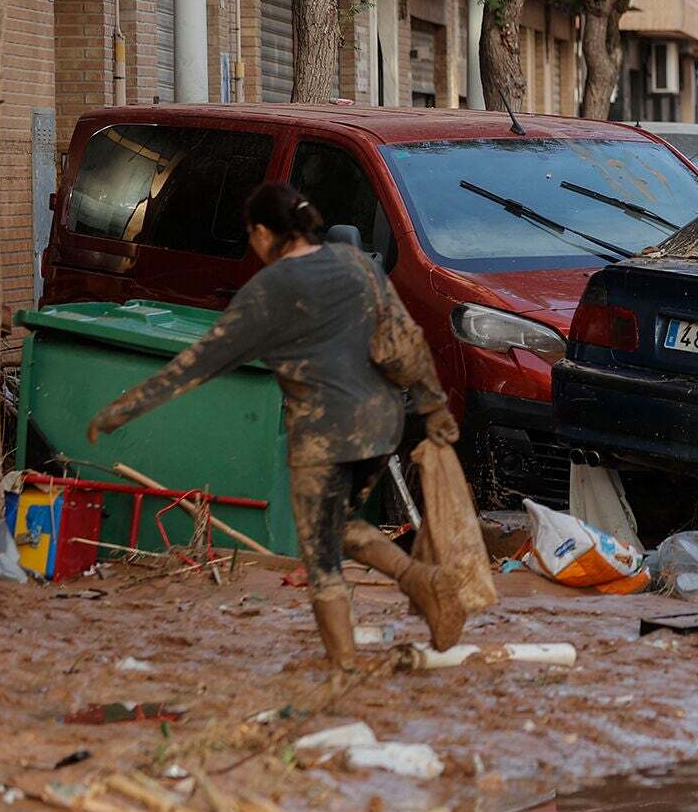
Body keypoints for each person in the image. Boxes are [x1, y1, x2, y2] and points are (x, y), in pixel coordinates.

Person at [87, 183, 465, 671]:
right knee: (343, 525)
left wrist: (122, 409)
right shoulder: (354, 263)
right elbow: (404, 339)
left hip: (324, 438)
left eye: (252, 235)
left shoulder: (268, 291)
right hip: (381, 425)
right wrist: (434, 407)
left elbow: (199, 363)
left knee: (322, 558)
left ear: (265, 233)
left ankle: (345, 671)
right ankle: (421, 581)